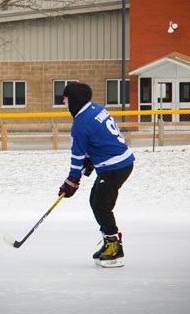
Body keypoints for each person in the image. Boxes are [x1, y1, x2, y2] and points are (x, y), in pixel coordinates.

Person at [58, 82, 135, 268]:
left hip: (113, 167)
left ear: (74, 99)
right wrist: (91, 159)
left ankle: (114, 246)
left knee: (100, 204)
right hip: (122, 162)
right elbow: (101, 137)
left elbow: (77, 157)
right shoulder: (95, 108)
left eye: (66, 97)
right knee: (98, 201)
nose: (63, 100)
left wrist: (72, 181)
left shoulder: (80, 123)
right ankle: (110, 242)